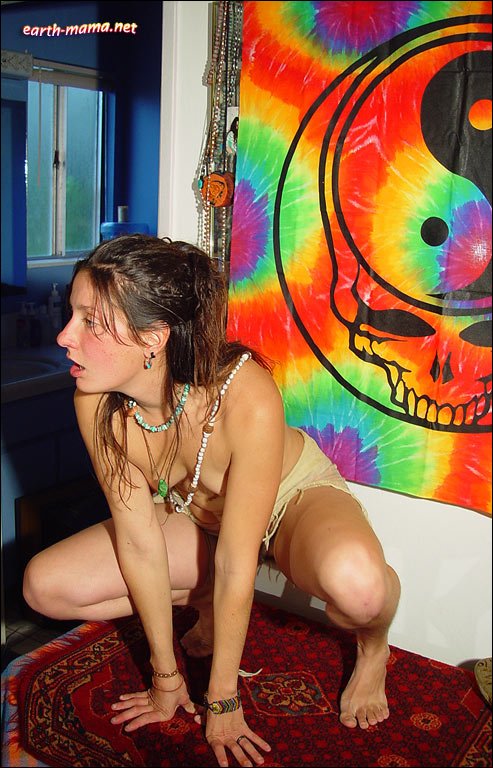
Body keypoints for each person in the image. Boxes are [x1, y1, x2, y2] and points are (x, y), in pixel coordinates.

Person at [23, 234, 401, 768]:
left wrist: (222, 699)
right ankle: (202, 601)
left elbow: (235, 561)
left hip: (289, 501)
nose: (65, 336)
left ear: (153, 338)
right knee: (44, 586)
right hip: (198, 514)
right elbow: (138, 541)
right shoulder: (95, 403)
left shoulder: (245, 393)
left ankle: (374, 646)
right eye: (72, 315)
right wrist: (166, 678)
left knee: (360, 590)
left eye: (91, 322)